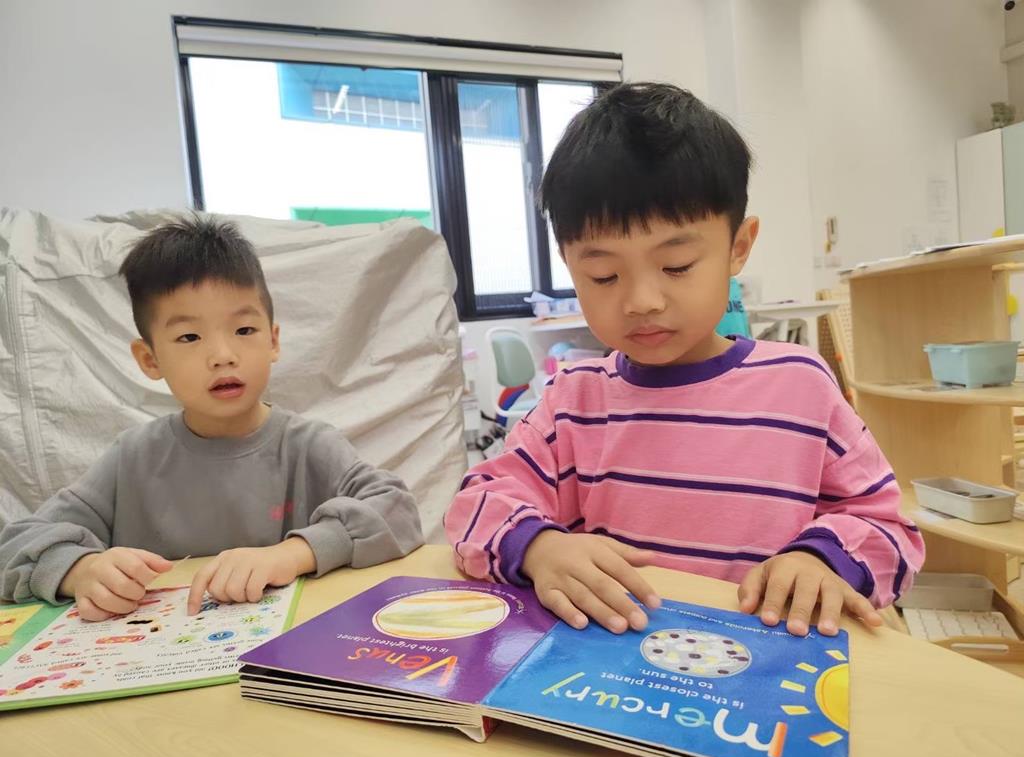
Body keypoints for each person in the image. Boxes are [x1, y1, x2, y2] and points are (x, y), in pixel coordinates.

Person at [445, 82, 923, 638]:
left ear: (738, 247)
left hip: (763, 665)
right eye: (603, 275)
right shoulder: (573, 401)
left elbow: (889, 528)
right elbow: (475, 506)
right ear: (569, 265)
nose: (642, 300)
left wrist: (821, 562)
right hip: (609, 669)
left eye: (676, 267)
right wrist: (540, 547)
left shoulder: (800, 387)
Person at [0, 216, 423, 619]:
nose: (222, 356)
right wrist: (81, 570)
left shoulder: (309, 444)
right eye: (189, 336)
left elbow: (398, 511)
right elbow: (16, 544)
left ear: (273, 341)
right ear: (150, 359)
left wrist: (291, 555)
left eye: (244, 330)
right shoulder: (132, 457)